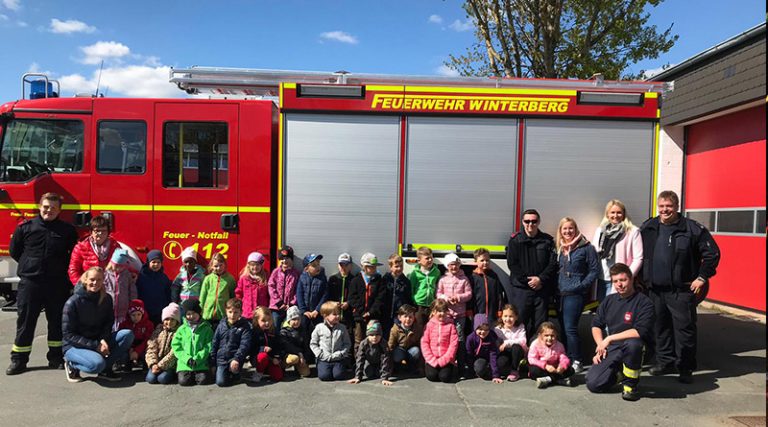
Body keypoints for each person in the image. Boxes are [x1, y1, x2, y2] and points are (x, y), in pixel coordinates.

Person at [640, 190, 720, 384]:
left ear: (677, 207)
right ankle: (664, 362)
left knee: (684, 330)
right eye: (662, 206)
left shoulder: (692, 229)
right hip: (655, 290)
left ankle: (685, 367)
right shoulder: (649, 227)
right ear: (657, 207)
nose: (665, 210)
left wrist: (701, 277)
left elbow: (712, 254)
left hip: (681, 291)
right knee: (660, 328)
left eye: (669, 206)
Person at [7, 192, 78, 375]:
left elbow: (73, 256)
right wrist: (29, 265)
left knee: (56, 322)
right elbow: (15, 251)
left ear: (59, 210)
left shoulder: (67, 231)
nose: (49, 210)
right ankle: (19, 360)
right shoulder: (26, 228)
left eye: (54, 208)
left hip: (57, 284)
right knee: (25, 322)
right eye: (46, 207)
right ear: (40, 207)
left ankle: (55, 358)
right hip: (31, 282)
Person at [586, 263, 655, 401]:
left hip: (637, 348)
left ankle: (630, 386)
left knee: (633, 344)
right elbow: (596, 324)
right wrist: (600, 345)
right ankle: (621, 373)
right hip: (614, 348)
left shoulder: (644, 302)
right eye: (615, 281)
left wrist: (609, 338)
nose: (619, 285)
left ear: (632, 279)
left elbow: (640, 331)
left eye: (623, 280)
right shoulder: (609, 300)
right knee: (594, 384)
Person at [61, 267, 135, 383]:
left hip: (97, 341)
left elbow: (108, 323)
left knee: (127, 335)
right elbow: (68, 335)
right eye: (92, 279)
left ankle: (105, 369)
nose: (95, 283)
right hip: (74, 346)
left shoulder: (106, 299)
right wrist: (96, 346)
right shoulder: (73, 303)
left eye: (99, 280)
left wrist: (103, 340)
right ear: (85, 280)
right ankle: (72, 364)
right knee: (96, 364)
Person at [505, 209, 558, 342]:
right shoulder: (515, 241)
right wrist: (528, 281)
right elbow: (512, 264)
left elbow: (552, 264)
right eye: (527, 221)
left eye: (534, 221)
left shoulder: (547, 241)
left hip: (541, 289)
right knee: (520, 322)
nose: (530, 224)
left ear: (538, 222)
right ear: (522, 222)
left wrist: (540, 279)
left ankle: (536, 354)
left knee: (540, 324)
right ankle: (520, 354)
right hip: (521, 289)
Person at [555, 217, 599, 374]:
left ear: (576, 229)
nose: (568, 232)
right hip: (561, 294)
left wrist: (582, 286)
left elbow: (594, 270)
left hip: (575, 294)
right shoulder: (560, 248)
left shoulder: (586, 248)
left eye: (570, 228)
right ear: (560, 231)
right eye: (564, 229)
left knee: (570, 328)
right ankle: (567, 358)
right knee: (563, 329)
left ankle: (577, 360)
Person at [591, 200, 644, 301]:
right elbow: (594, 253)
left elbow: (638, 258)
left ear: (624, 214)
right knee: (603, 310)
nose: (616, 215)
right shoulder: (600, 231)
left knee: (616, 311)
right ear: (607, 214)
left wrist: (627, 278)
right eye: (612, 212)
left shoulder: (632, 231)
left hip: (620, 281)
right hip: (602, 278)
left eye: (619, 212)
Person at [437, 252, 472, 375]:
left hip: (459, 316)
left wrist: (458, 297)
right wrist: (446, 298)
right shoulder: (442, 279)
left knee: (460, 340)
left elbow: (469, 294)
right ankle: (448, 362)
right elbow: (438, 294)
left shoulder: (464, 279)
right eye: (451, 265)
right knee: (446, 339)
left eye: (456, 264)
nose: (454, 267)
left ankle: (461, 366)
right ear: (447, 266)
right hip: (447, 316)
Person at [68, 215, 120, 286]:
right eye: (97, 231)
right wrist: (82, 286)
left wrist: (133, 272)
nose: (100, 233)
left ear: (108, 232)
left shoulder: (115, 246)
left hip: (110, 286)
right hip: (89, 287)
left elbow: (124, 264)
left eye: (104, 230)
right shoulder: (81, 247)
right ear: (91, 232)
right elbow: (73, 270)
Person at [171, 299, 213, 386]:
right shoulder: (182, 329)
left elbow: (208, 345)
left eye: (194, 313)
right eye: (188, 314)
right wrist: (187, 359)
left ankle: (198, 373)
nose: (191, 316)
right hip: (185, 363)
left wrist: (198, 358)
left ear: (199, 313)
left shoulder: (206, 328)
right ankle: (187, 374)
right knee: (184, 382)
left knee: (203, 380)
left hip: (201, 363)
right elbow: (176, 346)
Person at [211, 298, 252, 387]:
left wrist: (236, 359)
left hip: (235, 358)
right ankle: (226, 372)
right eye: (230, 312)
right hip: (221, 359)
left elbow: (244, 345)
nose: (232, 315)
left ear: (241, 312)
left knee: (234, 372)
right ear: (226, 311)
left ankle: (235, 373)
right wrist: (213, 362)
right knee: (220, 382)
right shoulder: (221, 325)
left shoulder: (245, 326)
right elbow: (215, 342)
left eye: (236, 312)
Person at [349, 252, 386, 350]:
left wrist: (370, 312)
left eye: (374, 266)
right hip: (359, 317)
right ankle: (359, 363)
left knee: (374, 339)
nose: (373, 269)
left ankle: (373, 362)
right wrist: (362, 312)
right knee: (359, 341)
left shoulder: (379, 281)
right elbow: (352, 298)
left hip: (374, 316)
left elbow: (380, 298)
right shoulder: (355, 281)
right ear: (363, 267)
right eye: (370, 267)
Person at [310, 301, 352, 381]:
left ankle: (340, 367)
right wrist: (320, 354)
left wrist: (340, 354)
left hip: (338, 358)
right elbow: (313, 344)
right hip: (324, 358)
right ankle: (320, 365)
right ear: (325, 316)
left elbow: (347, 343)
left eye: (338, 314)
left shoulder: (342, 328)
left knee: (339, 375)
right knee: (324, 376)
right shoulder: (319, 328)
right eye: (334, 314)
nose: (338, 316)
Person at [297, 253, 328, 356]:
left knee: (317, 334)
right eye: (314, 265)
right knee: (304, 334)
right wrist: (304, 310)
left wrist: (317, 310)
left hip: (317, 313)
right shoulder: (302, 278)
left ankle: (317, 356)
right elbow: (299, 294)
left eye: (318, 264)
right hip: (305, 313)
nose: (317, 267)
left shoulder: (322, 278)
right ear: (306, 268)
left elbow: (325, 295)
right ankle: (306, 355)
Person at [421, 299, 458, 383]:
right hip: (432, 359)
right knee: (432, 376)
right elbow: (424, 343)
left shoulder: (451, 326)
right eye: (439, 311)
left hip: (446, 359)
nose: (442, 314)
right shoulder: (429, 325)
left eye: (444, 311)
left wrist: (444, 360)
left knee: (445, 377)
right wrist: (431, 359)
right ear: (433, 312)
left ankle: (451, 368)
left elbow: (453, 345)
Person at [527, 321, 574, 388]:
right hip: (542, 368)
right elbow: (531, 359)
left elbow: (563, 357)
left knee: (571, 370)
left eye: (552, 336)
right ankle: (558, 379)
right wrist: (545, 366)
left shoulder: (559, 345)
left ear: (556, 335)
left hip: (555, 368)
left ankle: (548, 379)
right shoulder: (535, 344)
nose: (549, 338)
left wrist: (562, 366)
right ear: (540, 336)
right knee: (533, 371)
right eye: (546, 335)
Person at [145, 302, 182, 384]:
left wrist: (161, 365)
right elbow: (151, 346)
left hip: (170, 364)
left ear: (177, 321)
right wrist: (153, 364)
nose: (169, 322)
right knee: (150, 379)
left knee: (162, 379)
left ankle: (173, 373)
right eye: (167, 319)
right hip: (157, 361)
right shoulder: (159, 329)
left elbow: (174, 353)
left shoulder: (179, 331)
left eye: (172, 319)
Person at [348, 320, 393, 386]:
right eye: (371, 335)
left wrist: (384, 378)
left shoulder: (384, 343)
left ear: (381, 335)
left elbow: (385, 360)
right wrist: (358, 377)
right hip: (369, 362)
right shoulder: (363, 343)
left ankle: (382, 373)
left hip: (380, 363)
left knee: (380, 373)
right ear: (367, 335)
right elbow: (360, 359)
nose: (374, 337)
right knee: (369, 373)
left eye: (377, 335)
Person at [104, 249, 139, 331]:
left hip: (123, 309)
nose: (119, 268)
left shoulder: (127, 275)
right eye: (116, 266)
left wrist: (133, 302)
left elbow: (132, 290)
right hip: (109, 309)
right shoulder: (105, 275)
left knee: (122, 327)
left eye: (121, 266)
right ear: (111, 263)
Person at [136, 249, 172, 325]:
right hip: (145, 311)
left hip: (160, 311)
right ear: (148, 262)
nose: (156, 264)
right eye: (153, 262)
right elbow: (137, 292)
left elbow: (168, 293)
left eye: (158, 262)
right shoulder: (142, 276)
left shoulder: (163, 277)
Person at [268, 245, 300, 330]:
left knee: (290, 328)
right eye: (282, 258)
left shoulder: (295, 274)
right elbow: (271, 287)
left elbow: (298, 290)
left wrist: (292, 303)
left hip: (290, 307)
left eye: (287, 258)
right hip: (276, 307)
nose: (284, 260)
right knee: (275, 328)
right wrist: (279, 303)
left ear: (291, 259)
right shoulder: (275, 272)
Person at [199, 252, 236, 325]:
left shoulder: (230, 279)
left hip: (222, 315)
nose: (218, 268)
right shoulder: (208, 279)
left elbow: (232, 297)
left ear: (224, 265)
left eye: (221, 265)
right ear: (212, 266)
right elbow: (203, 296)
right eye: (216, 266)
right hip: (208, 314)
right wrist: (200, 310)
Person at [117, 299, 154, 371]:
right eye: (133, 315)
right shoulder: (124, 324)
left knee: (147, 352)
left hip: (142, 346)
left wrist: (137, 351)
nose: (136, 317)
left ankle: (145, 364)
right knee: (124, 354)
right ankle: (126, 364)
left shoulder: (148, 324)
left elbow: (148, 339)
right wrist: (131, 349)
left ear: (142, 314)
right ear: (129, 315)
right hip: (129, 346)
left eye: (139, 314)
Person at [408, 246, 440, 328]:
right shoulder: (415, 273)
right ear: (419, 260)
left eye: (431, 258)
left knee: (431, 327)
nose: (430, 260)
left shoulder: (436, 272)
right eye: (427, 258)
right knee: (419, 326)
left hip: (431, 305)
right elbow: (411, 289)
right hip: (419, 305)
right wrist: (413, 301)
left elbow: (437, 286)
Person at [494, 304, 528, 382]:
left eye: (511, 316)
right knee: (501, 363)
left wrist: (507, 343)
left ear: (516, 317)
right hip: (505, 352)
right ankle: (510, 368)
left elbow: (523, 341)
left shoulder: (520, 327)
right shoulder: (498, 329)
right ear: (501, 317)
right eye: (505, 316)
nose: (508, 319)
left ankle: (514, 370)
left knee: (516, 347)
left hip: (518, 352)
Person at [465, 314, 503, 383]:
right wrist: (470, 371)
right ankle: (482, 371)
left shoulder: (491, 336)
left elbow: (493, 354)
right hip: (478, 359)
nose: (483, 332)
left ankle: (492, 370)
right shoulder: (470, 338)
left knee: (501, 363)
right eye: (480, 329)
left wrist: (495, 375)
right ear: (475, 328)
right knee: (479, 367)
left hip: (490, 358)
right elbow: (469, 355)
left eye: (486, 329)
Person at [250, 306, 284, 383]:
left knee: (278, 376)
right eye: (263, 320)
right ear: (257, 321)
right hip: (258, 358)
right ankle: (259, 372)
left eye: (269, 320)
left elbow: (279, 346)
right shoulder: (254, 332)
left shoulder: (274, 331)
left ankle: (266, 370)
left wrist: (277, 358)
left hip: (271, 359)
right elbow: (251, 348)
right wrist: (262, 349)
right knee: (263, 356)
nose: (267, 323)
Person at [387, 304, 422, 376]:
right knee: (397, 353)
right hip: (400, 349)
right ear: (399, 318)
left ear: (414, 317)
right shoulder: (395, 329)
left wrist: (421, 367)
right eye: (405, 316)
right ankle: (397, 366)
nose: (408, 319)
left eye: (410, 317)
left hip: (411, 350)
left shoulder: (417, 328)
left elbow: (420, 344)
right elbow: (390, 345)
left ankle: (411, 367)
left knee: (416, 350)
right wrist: (388, 367)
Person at [470, 248, 503, 324]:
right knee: (479, 331)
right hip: (478, 313)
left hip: (492, 313)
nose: (485, 262)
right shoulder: (473, 277)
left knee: (491, 332)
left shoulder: (494, 276)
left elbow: (499, 294)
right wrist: (469, 310)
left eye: (487, 260)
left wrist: (500, 310)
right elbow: (470, 296)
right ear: (475, 262)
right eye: (482, 260)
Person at [327, 252, 356, 338]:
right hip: (335, 314)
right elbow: (328, 295)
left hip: (349, 316)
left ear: (350, 266)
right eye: (341, 264)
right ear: (338, 265)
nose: (344, 267)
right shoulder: (332, 279)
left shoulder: (354, 279)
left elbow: (356, 296)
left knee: (349, 337)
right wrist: (334, 303)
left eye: (346, 265)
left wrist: (349, 303)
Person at [381, 253, 414, 327]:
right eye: (396, 266)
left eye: (401, 266)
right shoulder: (385, 280)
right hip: (386, 314)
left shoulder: (406, 282)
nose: (399, 268)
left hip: (399, 315)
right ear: (390, 267)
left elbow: (408, 298)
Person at [235, 251, 270, 320]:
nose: (255, 267)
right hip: (247, 313)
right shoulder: (244, 278)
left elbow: (269, 294)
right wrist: (241, 307)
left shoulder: (266, 278)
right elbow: (239, 293)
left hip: (261, 313)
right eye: (252, 265)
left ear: (261, 265)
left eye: (257, 265)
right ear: (248, 265)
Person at [280, 305, 310, 377]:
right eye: (293, 319)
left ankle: (297, 367)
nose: (296, 322)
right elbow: (288, 346)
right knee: (293, 359)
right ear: (289, 320)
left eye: (298, 319)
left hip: (300, 355)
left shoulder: (303, 330)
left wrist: (305, 358)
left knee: (306, 373)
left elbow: (306, 345)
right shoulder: (284, 331)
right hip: (288, 355)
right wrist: (299, 354)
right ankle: (282, 366)